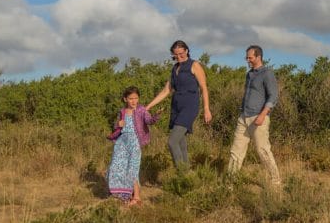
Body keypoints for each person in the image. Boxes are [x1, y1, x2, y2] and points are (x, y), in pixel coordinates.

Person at [146, 40, 212, 169]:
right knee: (181, 143)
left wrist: (206, 109)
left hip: (189, 106)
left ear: (186, 51)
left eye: (181, 54)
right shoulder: (174, 68)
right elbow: (166, 91)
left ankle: (181, 173)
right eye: (176, 55)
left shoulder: (195, 65)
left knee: (172, 141)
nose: (179, 57)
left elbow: (204, 88)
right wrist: (148, 107)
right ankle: (187, 175)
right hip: (176, 107)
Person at [227, 44, 281, 188]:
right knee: (235, 151)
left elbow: (273, 96)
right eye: (246, 57)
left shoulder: (267, 73)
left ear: (258, 57)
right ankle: (229, 184)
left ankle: (276, 182)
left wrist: (263, 115)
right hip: (243, 117)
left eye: (250, 57)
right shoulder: (249, 74)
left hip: (259, 118)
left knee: (262, 150)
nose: (247, 60)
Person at [106, 86, 158, 205]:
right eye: (131, 98)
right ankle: (121, 195)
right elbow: (118, 127)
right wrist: (117, 124)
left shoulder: (141, 110)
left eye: (136, 98)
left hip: (134, 142)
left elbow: (149, 121)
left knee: (132, 168)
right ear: (125, 99)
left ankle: (137, 198)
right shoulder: (122, 111)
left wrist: (156, 116)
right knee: (116, 166)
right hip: (121, 142)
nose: (134, 101)